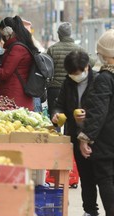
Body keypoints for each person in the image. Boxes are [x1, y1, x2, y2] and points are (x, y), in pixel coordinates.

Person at [52, 51, 99, 216]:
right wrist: (57, 114)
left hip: (98, 136)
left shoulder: (99, 81)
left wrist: (90, 114)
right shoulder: (68, 82)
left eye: (76, 74)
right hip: (76, 134)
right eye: (70, 74)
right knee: (86, 177)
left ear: (86, 67)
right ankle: (90, 211)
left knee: (103, 177)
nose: (74, 77)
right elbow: (59, 104)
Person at [78, 29, 114, 216]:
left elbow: (99, 112)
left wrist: (86, 137)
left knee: (106, 179)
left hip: (107, 142)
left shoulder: (105, 79)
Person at [0, 16, 39, 110]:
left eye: (1, 32)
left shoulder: (17, 49)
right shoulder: (15, 47)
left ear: (7, 31)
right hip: (13, 96)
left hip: (15, 98)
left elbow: (5, 73)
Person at [46, 22, 94, 117]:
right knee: (72, 115)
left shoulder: (52, 49)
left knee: (55, 116)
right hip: (73, 87)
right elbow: (91, 62)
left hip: (54, 88)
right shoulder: (79, 49)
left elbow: (47, 68)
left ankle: (56, 131)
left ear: (59, 34)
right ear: (70, 34)